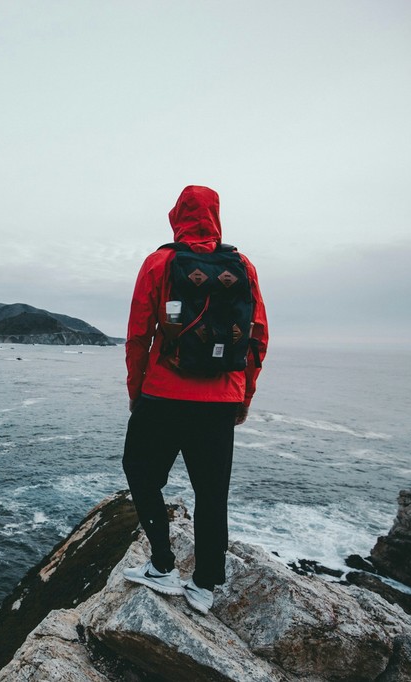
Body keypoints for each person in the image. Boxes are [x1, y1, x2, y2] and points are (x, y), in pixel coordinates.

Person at [121, 184, 268, 615]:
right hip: (222, 398)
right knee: (211, 492)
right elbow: (258, 337)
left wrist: (136, 393)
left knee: (141, 471)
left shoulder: (160, 262)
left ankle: (162, 566)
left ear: (177, 216)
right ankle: (204, 586)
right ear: (216, 216)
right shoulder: (243, 266)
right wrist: (244, 396)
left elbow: (137, 336)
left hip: (163, 394)